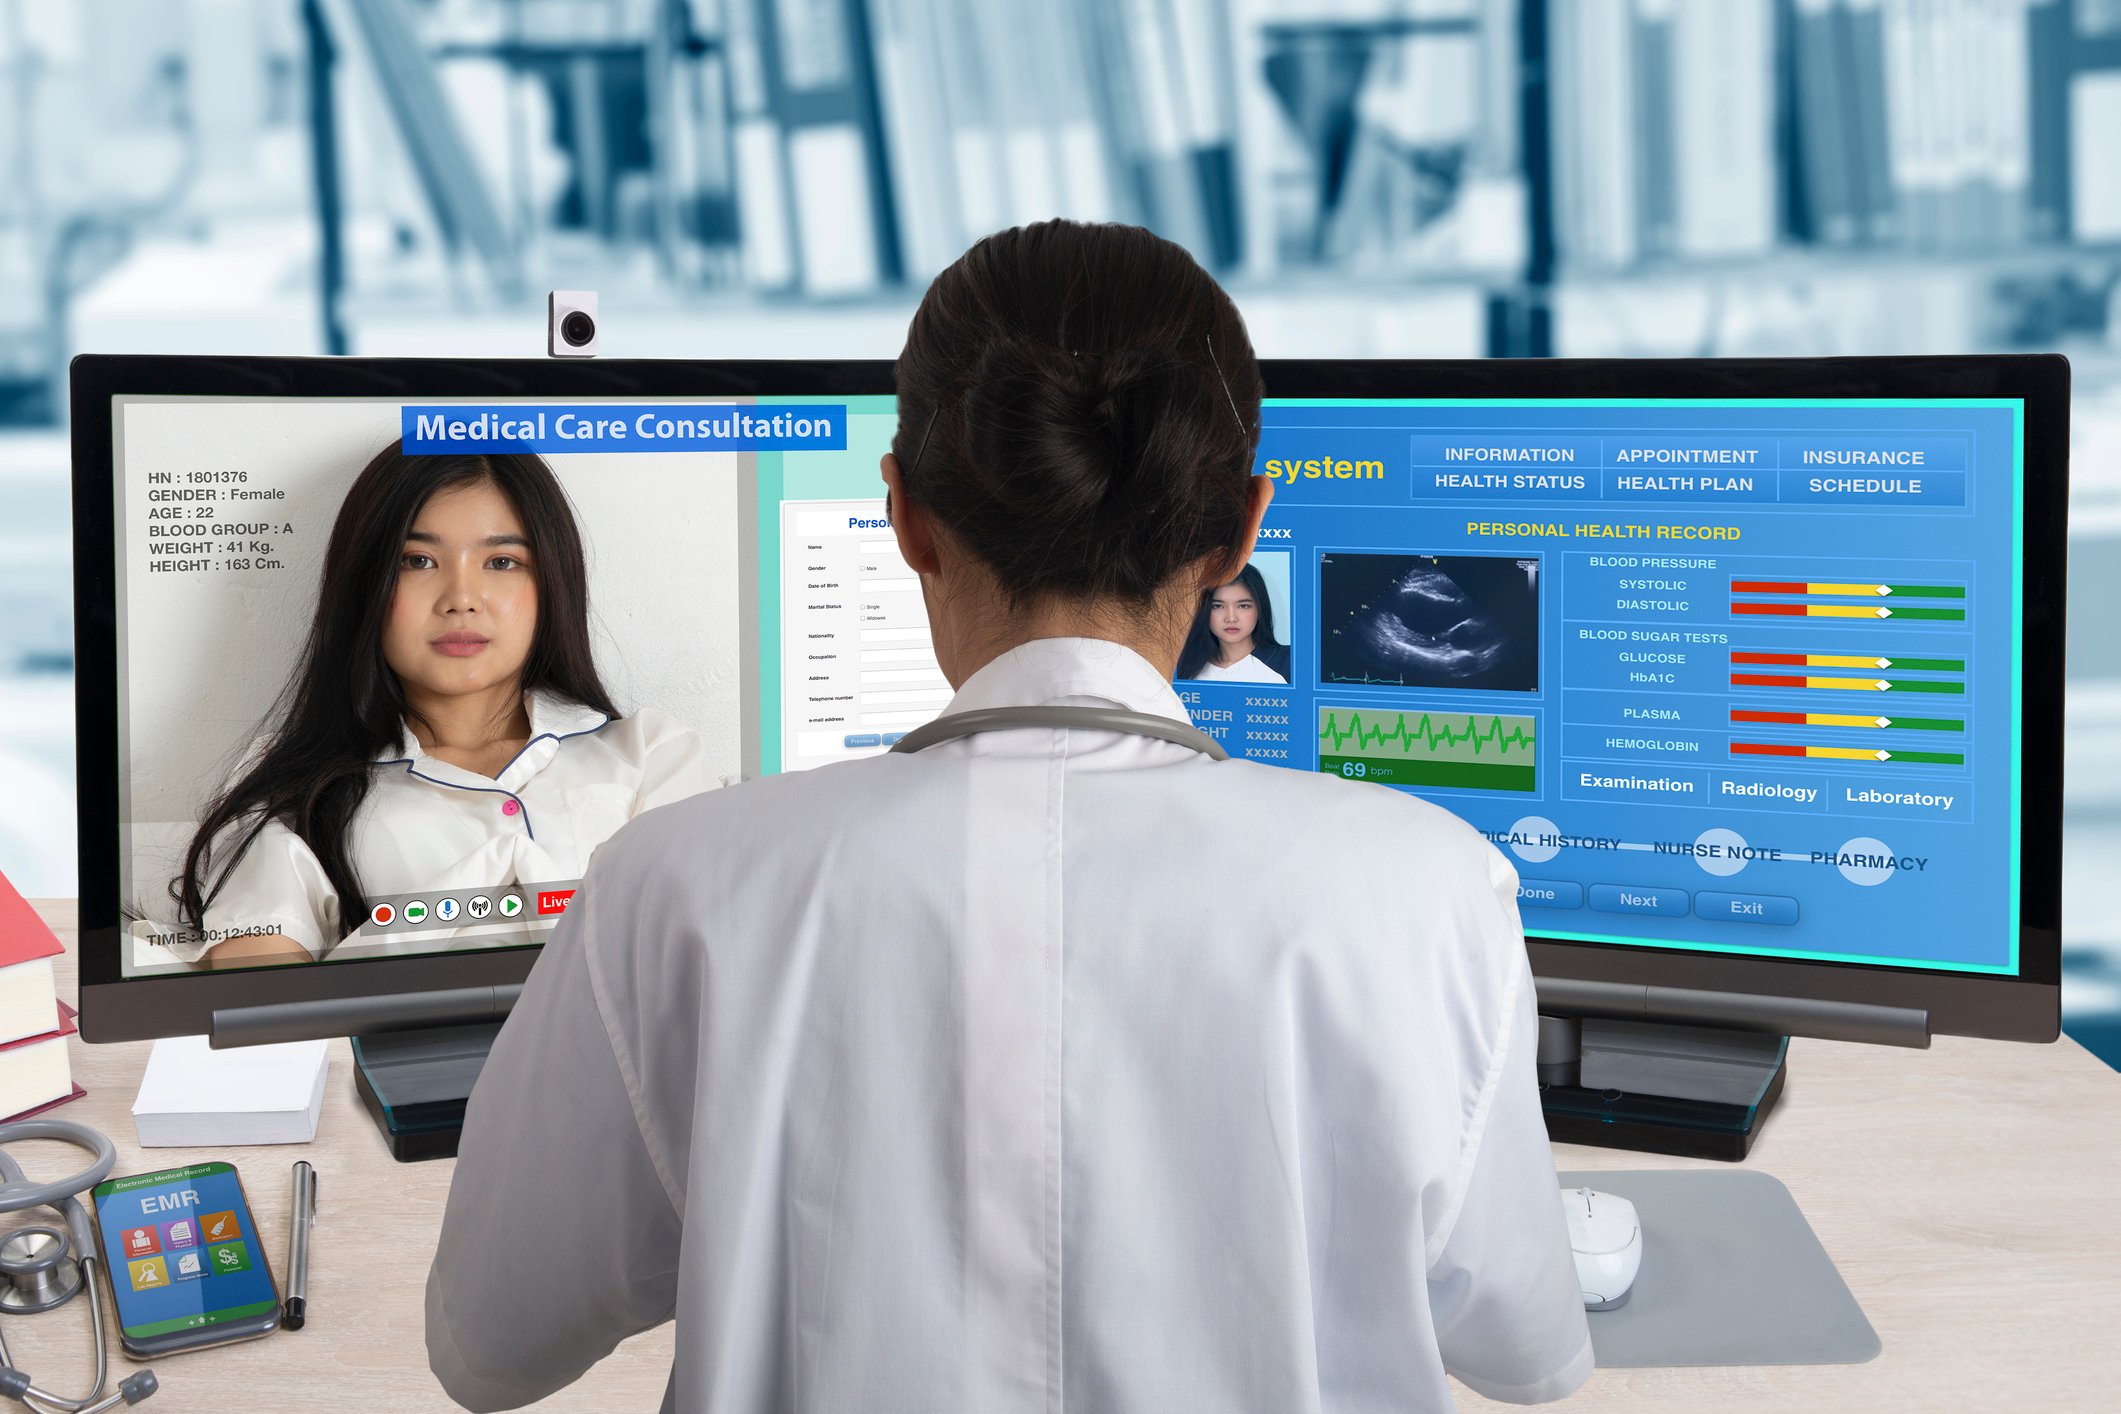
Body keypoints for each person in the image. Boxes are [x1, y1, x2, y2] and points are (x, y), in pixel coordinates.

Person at [427, 220, 1590, 1411]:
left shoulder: (670, 889)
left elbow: (489, 1346)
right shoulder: (1434, 891)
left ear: (908, 517)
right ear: (1242, 530)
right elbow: (1523, 1348)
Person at [160, 441, 713, 968]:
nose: (461, 599)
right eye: (418, 561)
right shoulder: (286, 786)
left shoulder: (650, 755)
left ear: (552, 584)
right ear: (364, 585)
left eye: (501, 562)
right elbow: (261, 1005)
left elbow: (704, 957)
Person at [1177, 560, 1291, 682]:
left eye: (1243, 606)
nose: (1231, 618)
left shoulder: (1289, 661)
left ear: (1260, 609)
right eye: (1218, 606)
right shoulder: (1182, 667)